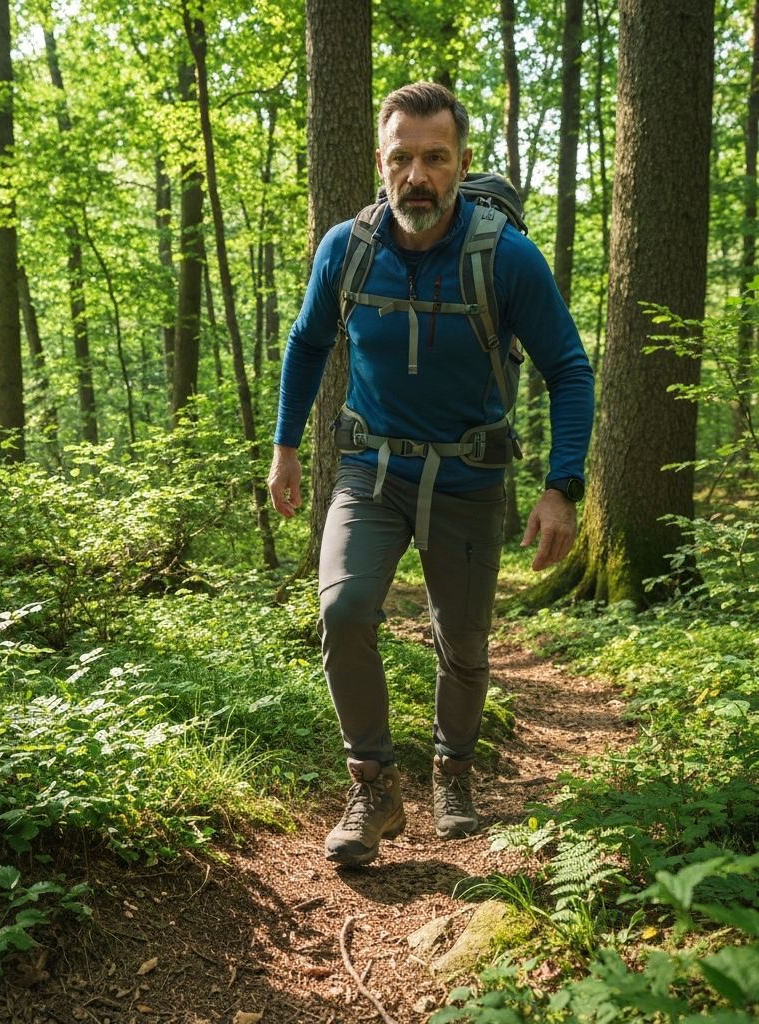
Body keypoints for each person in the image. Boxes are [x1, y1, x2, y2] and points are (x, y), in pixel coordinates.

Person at [267, 82, 594, 868]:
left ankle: (453, 769)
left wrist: (562, 486)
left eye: (436, 158)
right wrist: (285, 447)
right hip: (370, 471)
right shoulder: (345, 249)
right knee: (343, 609)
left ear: (462, 164)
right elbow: (308, 342)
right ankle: (374, 786)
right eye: (402, 158)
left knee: (464, 642)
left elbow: (569, 368)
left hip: (470, 480)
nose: (417, 176)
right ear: (380, 163)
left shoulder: (506, 258)